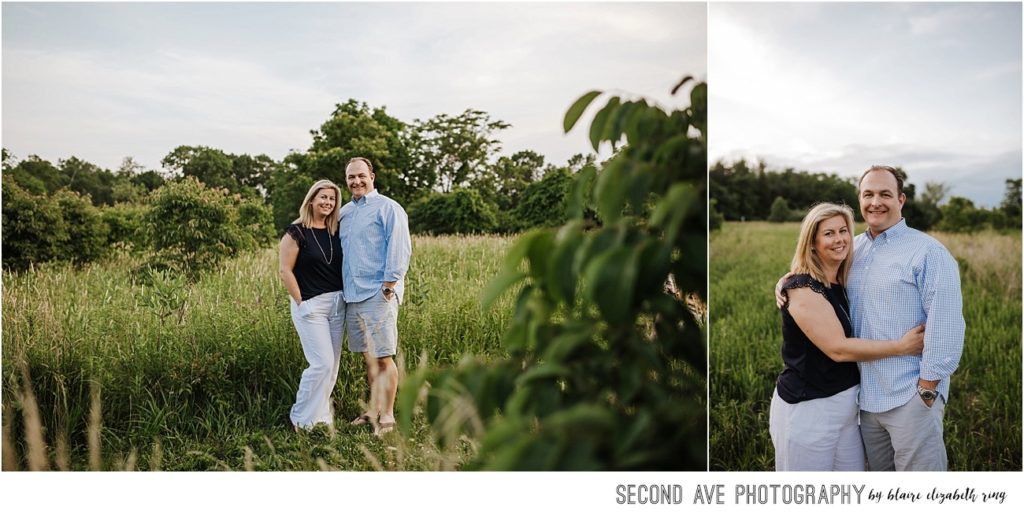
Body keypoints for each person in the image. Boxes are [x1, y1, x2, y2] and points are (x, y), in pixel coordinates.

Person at [776, 166, 965, 471]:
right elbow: (817, 278)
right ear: (860, 199)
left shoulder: (928, 252)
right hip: (865, 400)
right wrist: (787, 281)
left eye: (885, 194)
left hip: (910, 397)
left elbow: (947, 326)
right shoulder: (854, 248)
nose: (876, 201)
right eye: (868, 194)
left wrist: (927, 391)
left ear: (901, 200)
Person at [770, 202, 925, 471]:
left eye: (843, 230)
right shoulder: (802, 288)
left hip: (847, 409)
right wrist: (901, 347)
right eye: (828, 233)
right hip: (809, 409)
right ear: (812, 242)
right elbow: (838, 349)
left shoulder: (842, 279)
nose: (840, 239)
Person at [339, 157, 411, 435]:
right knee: (368, 358)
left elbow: (400, 248)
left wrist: (389, 286)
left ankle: (389, 414)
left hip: (378, 293)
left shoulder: (389, 208)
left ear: (372, 176)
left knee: (383, 357)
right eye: (350, 178)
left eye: (361, 176)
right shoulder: (344, 212)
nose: (356, 181)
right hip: (352, 295)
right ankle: (373, 411)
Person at [278, 179, 345, 431]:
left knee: (333, 366)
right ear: (312, 200)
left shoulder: (335, 230)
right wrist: (301, 302)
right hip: (310, 304)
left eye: (332, 199)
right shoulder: (295, 232)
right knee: (321, 364)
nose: (327, 202)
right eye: (323, 197)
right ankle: (300, 418)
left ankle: (321, 416)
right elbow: (285, 271)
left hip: (338, 303)